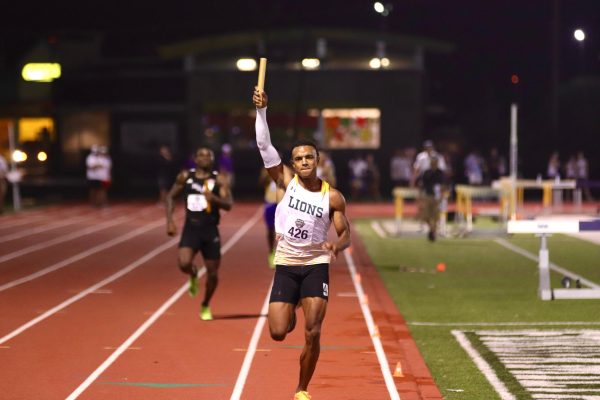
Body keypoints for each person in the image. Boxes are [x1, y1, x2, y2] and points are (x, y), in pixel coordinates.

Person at [253, 87, 351, 400]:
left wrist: (338, 246)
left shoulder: (332, 195)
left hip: (315, 266)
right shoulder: (284, 180)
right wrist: (261, 111)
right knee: (279, 332)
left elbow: (345, 231)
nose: (304, 161)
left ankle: (302, 389)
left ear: (318, 160)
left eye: (309, 157)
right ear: (292, 164)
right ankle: (292, 302)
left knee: (313, 330)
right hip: (286, 263)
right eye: (299, 158)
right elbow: (263, 144)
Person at [166, 146, 233, 321]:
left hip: (210, 231)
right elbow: (170, 197)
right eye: (200, 155)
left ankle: (205, 304)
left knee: (212, 274)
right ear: (195, 159)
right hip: (191, 229)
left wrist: (215, 199)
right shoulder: (185, 177)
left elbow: (229, 204)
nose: (204, 158)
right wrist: (170, 220)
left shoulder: (219, 180)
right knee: (184, 263)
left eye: (207, 155)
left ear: (212, 159)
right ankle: (193, 273)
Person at [259, 168, 285, 268]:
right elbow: (261, 183)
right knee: (270, 230)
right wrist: (268, 174)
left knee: (284, 229)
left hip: (281, 202)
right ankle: (271, 252)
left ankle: (283, 252)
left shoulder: (284, 170)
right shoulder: (266, 170)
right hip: (270, 203)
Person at [417, 156, 447, 242]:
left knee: (436, 217)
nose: (434, 164)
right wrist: (420, 197)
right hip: (427, 196)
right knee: (425, 216)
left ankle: (433, 232)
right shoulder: (426, 172)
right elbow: (421, 185)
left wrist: (441, 198)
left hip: (437, 197)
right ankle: (432, 230)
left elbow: (443, 186)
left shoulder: (440, 173)